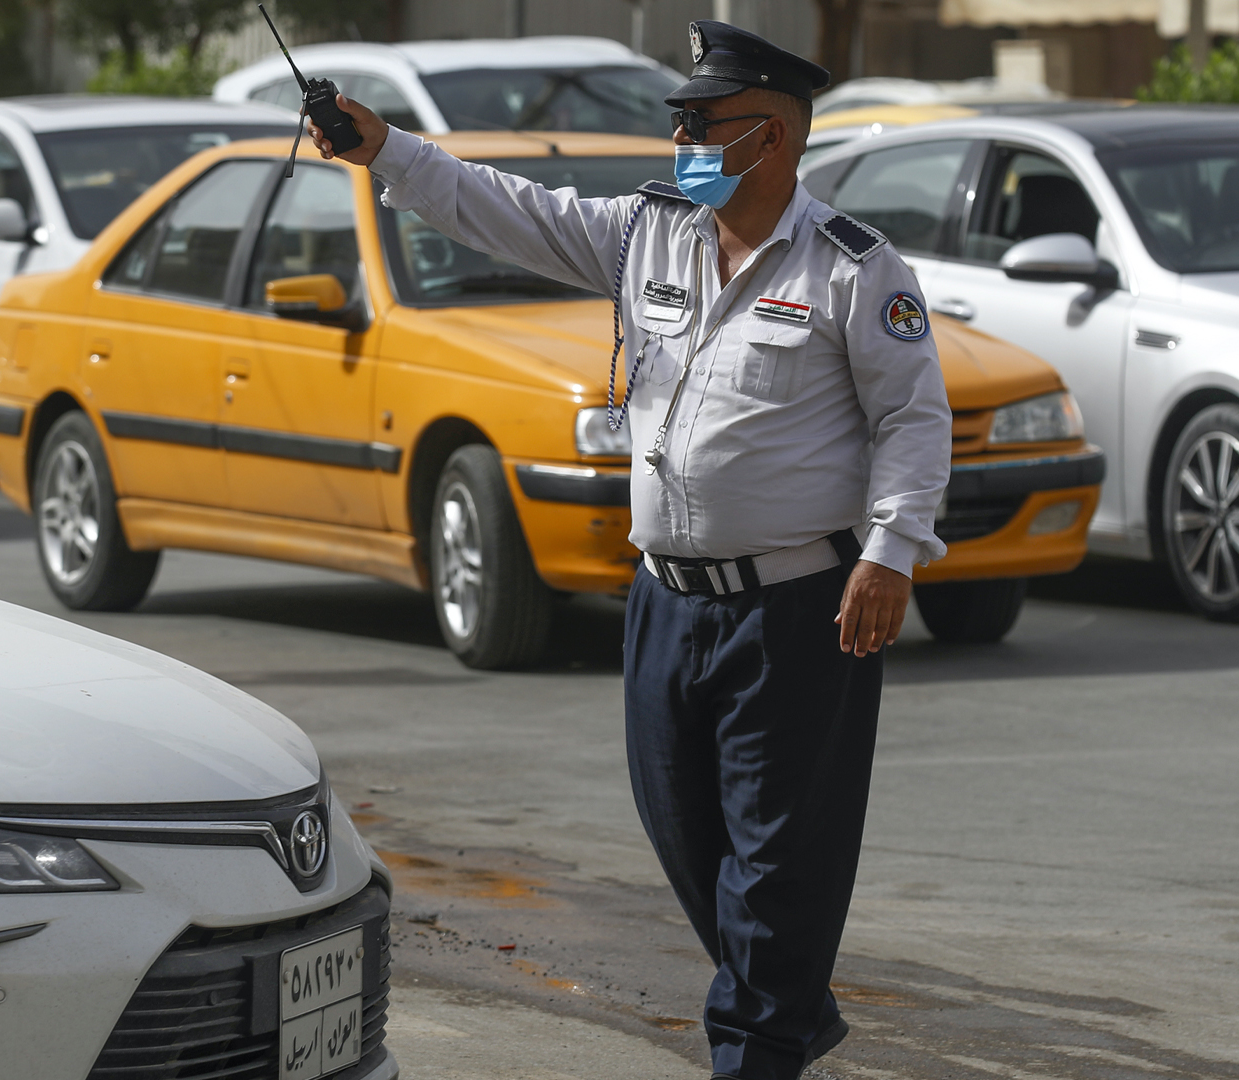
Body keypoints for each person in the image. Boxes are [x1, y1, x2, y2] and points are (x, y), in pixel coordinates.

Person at [310, 21, 950, 1080]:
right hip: (665, 602)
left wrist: (890, 555)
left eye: (704, 122)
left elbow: (914, 422)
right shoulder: (648, 233)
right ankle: (784, 1001)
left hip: (797, 608)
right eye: (680, 122)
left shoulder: (853, 269)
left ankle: (757, 1047)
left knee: (779, 856)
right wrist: (385, 148)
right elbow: (505, 211)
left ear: (775, 138)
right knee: (686, 833)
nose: (684, 139)